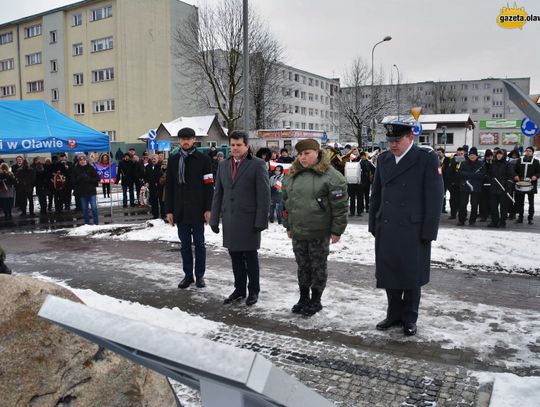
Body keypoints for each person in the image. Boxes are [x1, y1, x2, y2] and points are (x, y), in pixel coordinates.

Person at [368, 122, 443, 336]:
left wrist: (429, 231)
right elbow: (376, 194)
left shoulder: (426, 159)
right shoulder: (383, 159)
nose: (392, 145)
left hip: (413, 228)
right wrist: (374, 223)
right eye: (390, 141)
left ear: (410, 137)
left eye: (397, 141)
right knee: (389, 273)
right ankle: (393, 315)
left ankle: (410, 317)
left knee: (411, 276)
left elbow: (435, 197)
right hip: (388, 226)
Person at [282, 139, 348, 316]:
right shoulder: (292, 174)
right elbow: (286, 202)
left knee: (318, 266)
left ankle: (316, 300)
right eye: (300, 154)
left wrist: (337, 230)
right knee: (302, 266)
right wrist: (288, 225)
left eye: (307, 153)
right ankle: (303, 298)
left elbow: (340, 207)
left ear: (317, 153)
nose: (303, 158)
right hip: (298, 230)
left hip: (319, 231)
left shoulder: (331, 176)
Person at [210, 131, 270, 306]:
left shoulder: (257, 165)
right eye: (233, 145)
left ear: (246, 146)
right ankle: (239, 289)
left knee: (250, 257)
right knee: (235, 257)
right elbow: (218, 194)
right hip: (230, 220)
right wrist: (214, 218)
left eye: (239, 145)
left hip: (249, 221)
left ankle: (253, 291)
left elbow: (264, 196)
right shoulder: (223, 165)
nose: (235, 148)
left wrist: (261, 221)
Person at [165, 127, 214, 289]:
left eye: (189, 138)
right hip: (180, 210)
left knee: (199, 244)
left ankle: (200, 276)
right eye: (182, 139)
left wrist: (208, 208)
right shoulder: (173, 160)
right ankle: (188, 276)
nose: (185, 141)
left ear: (194, 140)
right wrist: (169, 210)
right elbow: (169, 187)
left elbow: (209, 186)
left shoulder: (204, 159)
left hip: (198, 210)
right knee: (185, 245)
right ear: (179, 141)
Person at [457, 147, 485, 226]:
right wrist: (472, 175)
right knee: (462, 204)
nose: (472, 156)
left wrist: (471, 175)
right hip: (465, 186)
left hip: (476, 187)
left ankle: (472, 220)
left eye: (474, 155)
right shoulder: (463, 163)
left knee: (474, 204)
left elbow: (482, 176)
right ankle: (461, 220)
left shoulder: (481, 164)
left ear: (476, 156)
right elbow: (460, 173)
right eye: (471, 155)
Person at [487, 149, 515, 228]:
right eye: (497, 154)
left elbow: (510, 176)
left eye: (500, 154)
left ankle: (502, 222)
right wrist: (491, 179)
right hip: (494, 188)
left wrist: (508, 186)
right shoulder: (493, 164)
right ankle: (494, 221)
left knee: (503, 207)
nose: (499, 155)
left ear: (504, 155)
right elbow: (490, 174)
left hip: (504, 189)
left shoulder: (508, 164)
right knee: (493, 206)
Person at [513, 146, 540, 225]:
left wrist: (536, 176)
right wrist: (515, 175)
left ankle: (530, 218)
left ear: (532, 153)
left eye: (530, 151)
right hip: (520, 183)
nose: (528, 152)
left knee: (531, 202)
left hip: (531, 184)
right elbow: (514, 171)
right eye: (527, 151)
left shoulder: (536, 162)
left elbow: (539, 172)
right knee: (520, 202)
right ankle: (520, 217)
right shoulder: (519, 160)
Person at [72, 154, 100, 225]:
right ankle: (86, 224)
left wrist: (89, 179)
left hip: (91, 191)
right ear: (78, 161)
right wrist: (79, 177)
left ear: (86, 160)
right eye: (80, 160)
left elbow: (97, 178)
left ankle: (96, 223)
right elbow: (73, 181)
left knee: (94, 208)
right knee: (84, 209)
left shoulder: (90, 168)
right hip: (82, 192)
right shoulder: (76, 169)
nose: (82, 161)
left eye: (83, 159)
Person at [447, 147, 465, 219]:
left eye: (462, 154)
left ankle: (462, 215)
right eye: (459, 154)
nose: (460, 155)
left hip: (462, 184)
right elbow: (449, 172)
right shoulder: (452, 160)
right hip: (454, 184)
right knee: (453, 200)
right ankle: (453, 214)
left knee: (462, 201)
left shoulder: (465, 160)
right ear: (456, 153)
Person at [145, 154, 164, 219]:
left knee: (161, 201)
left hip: (159, 186)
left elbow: (162, 176)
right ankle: (155, 215)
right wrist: (146, 182)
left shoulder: (160, 166)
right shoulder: (148, 166)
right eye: (152, 159)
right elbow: (146, 175)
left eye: (155, 159)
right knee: (153, 201)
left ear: (158, 159)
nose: (153, 160)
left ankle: (163, 214)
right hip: (152, 186)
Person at [436, 148, 451, 213]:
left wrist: (440, 168)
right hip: (438, 180)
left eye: (440, 152)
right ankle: (440, 208)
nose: (438, 154)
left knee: (444, 195)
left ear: (443, 153)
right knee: (440, 195)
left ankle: (443, 208)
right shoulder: (436, 159)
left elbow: (447, 170)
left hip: (446, 179)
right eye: (437, 152)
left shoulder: (447, 160)